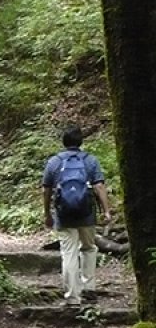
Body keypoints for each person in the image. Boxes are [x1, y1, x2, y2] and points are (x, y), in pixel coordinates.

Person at [41, 126, 112, 306]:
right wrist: (106, 210)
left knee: (69, 253)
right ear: (80, 142)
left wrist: (47, 213)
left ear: (64, 142)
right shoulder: (90, 160)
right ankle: (89, 288)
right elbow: (99, 186)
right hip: (86, 214)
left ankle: (73, 296)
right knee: (89, 248)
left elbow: (46, 190)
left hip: (64, 215)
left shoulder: (54, 162)